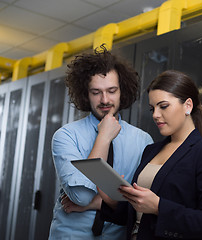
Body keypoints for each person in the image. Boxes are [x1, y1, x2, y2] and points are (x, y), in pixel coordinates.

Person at [99, 70, 202, 240]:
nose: (155, 115)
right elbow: (139, 216)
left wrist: (159, 206)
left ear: (188, 106)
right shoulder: (151, 150)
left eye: (164, 106)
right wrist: (113, 199)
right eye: (152, 108)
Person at [48, 45, 153, 240]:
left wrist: (97, 202)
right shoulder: (66, 136)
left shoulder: (143, 141)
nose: (105, 100)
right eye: (96, 92)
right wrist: (103, 138)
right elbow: (81, 196)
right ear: (85, 94)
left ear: (123, 91)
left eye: (112, 91)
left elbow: (141, 206)